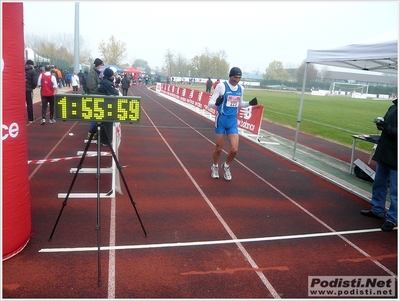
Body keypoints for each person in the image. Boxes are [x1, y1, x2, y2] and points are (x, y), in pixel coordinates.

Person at [208, 67, 258, 180]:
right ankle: (215, 166)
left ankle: (226, 166)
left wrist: (249, 103)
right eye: (235, 77)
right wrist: (217, 103)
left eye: (239, 78)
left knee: (234, 150)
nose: (237, 80)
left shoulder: (241, 88)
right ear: (230, 76)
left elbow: (240, 104)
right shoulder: (221, 86)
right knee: (219, 148)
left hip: (232, 121)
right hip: (221, 119)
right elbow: (209, 104)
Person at [361, 98, 398, 231]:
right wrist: (381, 125)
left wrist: (387, 128)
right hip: (384, 152)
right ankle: (377, 210)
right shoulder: (392, 107)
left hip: (396, 157)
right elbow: (387, 126)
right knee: (379, 184)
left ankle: (392, 219)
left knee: (395, 192)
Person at [96, 67, 119, 146]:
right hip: (107, 106)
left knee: (101, 123)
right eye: (112, 75)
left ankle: (101, 140)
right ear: (110, 75)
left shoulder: (101, 82)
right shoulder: (108, 84)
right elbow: (115, 93)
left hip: (100, 104)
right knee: (108, 124)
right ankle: (107, 141)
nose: (113, 77)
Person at [86, 58, 104, 138]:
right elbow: (92, 86)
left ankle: (94, 132)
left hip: (97, 95)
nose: (102, 66)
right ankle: (90, 132)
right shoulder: (93, 73)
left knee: (97, 116)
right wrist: (99, 90)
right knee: (95, 115)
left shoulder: (97, 73)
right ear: (97, 65)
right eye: (101, 65)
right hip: (94, 96)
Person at [25, 59, 38, 123]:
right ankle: (30, 119)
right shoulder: (33, 71)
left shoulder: (21, 69)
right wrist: (32, 87)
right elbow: (34, 82)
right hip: (29, 90)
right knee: (29, 104)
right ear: (32, 65)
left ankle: (19, 118)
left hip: (21, 91)